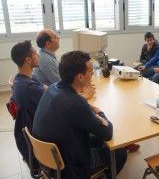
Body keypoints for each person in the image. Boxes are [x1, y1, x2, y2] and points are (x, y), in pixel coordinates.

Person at [32, 51, 127, 179]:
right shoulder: (75, 103)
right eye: (91, 71)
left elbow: (75, 109)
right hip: (70, 168)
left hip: (49, 160)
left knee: (97, 138)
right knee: (119, 151)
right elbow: (107, 133)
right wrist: (100, 112)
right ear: (80, 77)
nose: (93, 74)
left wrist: (88, 108)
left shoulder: (53, 88)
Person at [10, 40, 44, 165]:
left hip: (34, 129)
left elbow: (46, 88)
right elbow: (56, 103)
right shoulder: (29, 88)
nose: (38, 55)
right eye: (35, 53)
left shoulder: (22, 78)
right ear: (28, 60)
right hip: (42, 136)